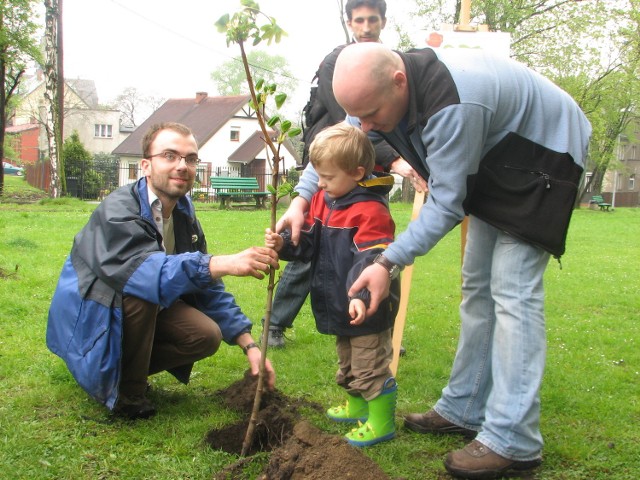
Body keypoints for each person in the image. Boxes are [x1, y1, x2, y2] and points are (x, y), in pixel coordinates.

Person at [279, 43, 591, 478]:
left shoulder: (452, 104)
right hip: (498, 155)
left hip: (543, 152)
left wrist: (387, 262)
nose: (365, 127)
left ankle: (514, 439)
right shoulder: (376, 89)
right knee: (477, 287)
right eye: (358, 115)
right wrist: (300, 199)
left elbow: (446, 203)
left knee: (513, 292)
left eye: (370, 114)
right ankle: (464, 407)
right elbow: (346, 133)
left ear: (399, 81)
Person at [47, 122, 278, 420]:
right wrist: (222, 263)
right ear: (145, 165)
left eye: (190, 158)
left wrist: (249, 344)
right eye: (170, 155)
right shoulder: (118, 211)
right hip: (92, 322)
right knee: (143, 293)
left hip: (130, 312)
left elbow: (204, 286)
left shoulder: (183, 212)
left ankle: (120, 371)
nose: (182, 166)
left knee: (205, 335)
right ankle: (126, 393)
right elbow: (145, 273)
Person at [266, 0, 426, 348]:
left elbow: (386, 122)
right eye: (359, 20)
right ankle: (276, 321)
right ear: (349, 23)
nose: (366, 26)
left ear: (383, 21)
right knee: (315, 245)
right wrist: (303, 196)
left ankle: (371, 318)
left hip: (370, 177)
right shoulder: (337, 65)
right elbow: (355, 126)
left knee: (365, 247)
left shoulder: (389, 66)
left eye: (373, 19)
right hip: (332, 170)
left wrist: (400, 159)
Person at [266, 123, 400, 447]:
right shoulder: (325, 200)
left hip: (365, 306)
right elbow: (309, 243)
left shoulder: (370, 210)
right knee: (348, 363)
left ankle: (381, 423)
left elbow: (373, 259)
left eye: (327, 178)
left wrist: (363, 296)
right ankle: (356, 405)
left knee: (369, 367)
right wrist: (284, 245)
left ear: (356, 172)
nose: (320, 185)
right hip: (340, 304)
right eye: (319, 177)